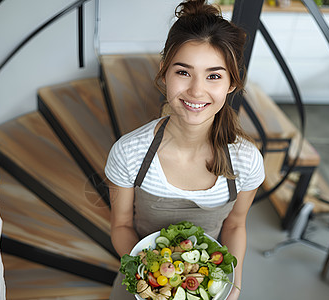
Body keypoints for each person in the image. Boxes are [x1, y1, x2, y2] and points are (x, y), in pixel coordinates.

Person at [105, 0, 265, 299]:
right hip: (144, 283)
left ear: (231, 83)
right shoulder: (129, 153)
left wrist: (234, 285)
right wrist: (156, 280)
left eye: (214, 76)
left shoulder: (246, 161)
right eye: (183, 72)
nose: (196, 90)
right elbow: (122, 226)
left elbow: (235, 225)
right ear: (164, 73)